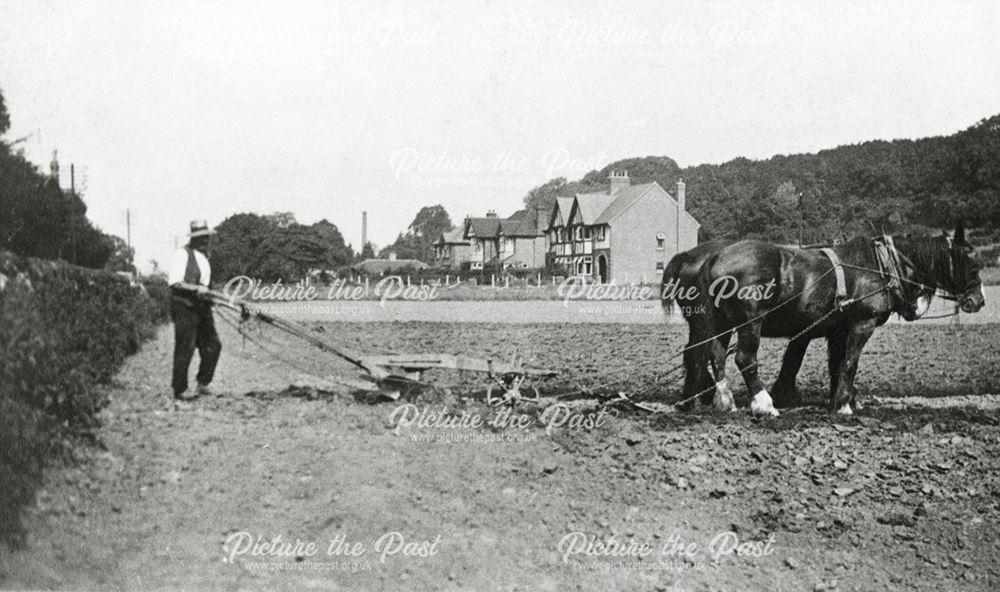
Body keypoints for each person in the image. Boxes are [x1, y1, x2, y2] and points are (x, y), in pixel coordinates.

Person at [167, 220, 221, 400]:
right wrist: (196, 289)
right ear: (194, 239)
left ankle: (202, 383)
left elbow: (206, 285)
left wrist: (210, 296)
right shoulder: (182, 254)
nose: (204, 240)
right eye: (200, 237)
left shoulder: (205, 258)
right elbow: (175, 282)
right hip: (184, 306)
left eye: (206, 237)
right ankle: (180, 389)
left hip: (202, 307)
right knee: (185, 347)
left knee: (213, 345)